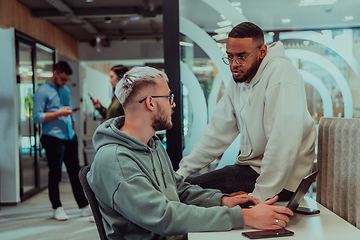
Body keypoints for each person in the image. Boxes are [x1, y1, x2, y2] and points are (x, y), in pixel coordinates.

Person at [87, 66, 293, 239]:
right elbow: (163, 216)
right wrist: (245, 217)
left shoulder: (152, 145)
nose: (173, 103)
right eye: (169, 97)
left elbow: (177, 189)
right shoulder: (116, 161)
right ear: (150, 102)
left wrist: (221, 201)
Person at [177, 22, 317, 202]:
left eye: (242, 57)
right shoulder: (240, 79)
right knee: (185, 187)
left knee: (188, 192)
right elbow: (216, 132)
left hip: (285, 181)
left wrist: (259, 197)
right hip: (253, 170)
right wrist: (182, 172)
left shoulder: (281, 74)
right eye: (229, 57)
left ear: (262, 52)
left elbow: (284, 141)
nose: (234, 64)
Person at [33, 61, 92, 221]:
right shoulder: (42, 92)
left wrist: (73, 129)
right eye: (63, 79)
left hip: (69, 137)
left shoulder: (65, 90)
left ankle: (84, 206)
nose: (65, 83)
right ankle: (57, 207)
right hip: (52, 138)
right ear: (55, 73)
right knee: (56, 173)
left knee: (76, 173)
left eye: (67, 79)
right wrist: (59, 113)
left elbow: (69, 111)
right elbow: (37, 117)